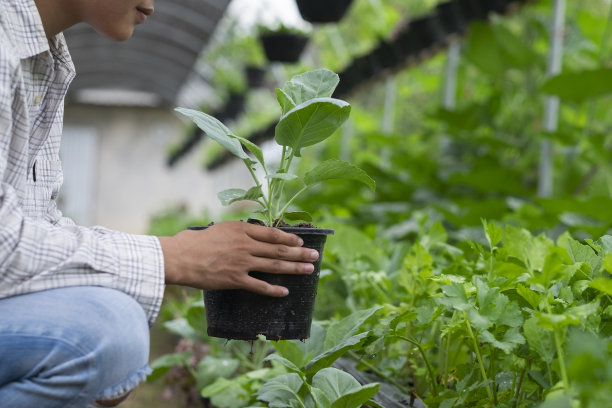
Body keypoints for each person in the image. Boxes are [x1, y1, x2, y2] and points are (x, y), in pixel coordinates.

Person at [0, 0, 319, 407]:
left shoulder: (46, 56)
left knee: (115, 327)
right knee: (106, 336)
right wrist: (169, 256)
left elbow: (37, 222)